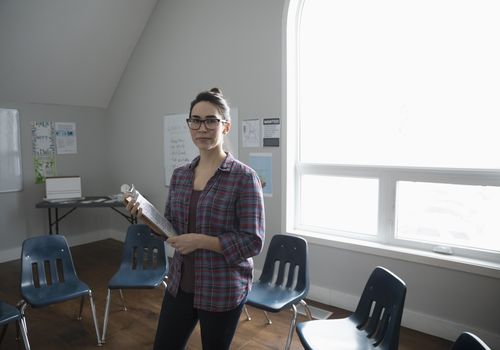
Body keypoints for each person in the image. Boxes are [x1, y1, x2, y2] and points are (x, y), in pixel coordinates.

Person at [126, 87, 265, 350]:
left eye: (211, 120)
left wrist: (201, 241)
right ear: (189, 125)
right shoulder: (180, 175)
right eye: (195, 120)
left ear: (225, 126)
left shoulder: (244, 178)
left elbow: (252, 241)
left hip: (222, 288)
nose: (202, 128)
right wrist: (146, 217)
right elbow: (172, 230)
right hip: (180, 284)